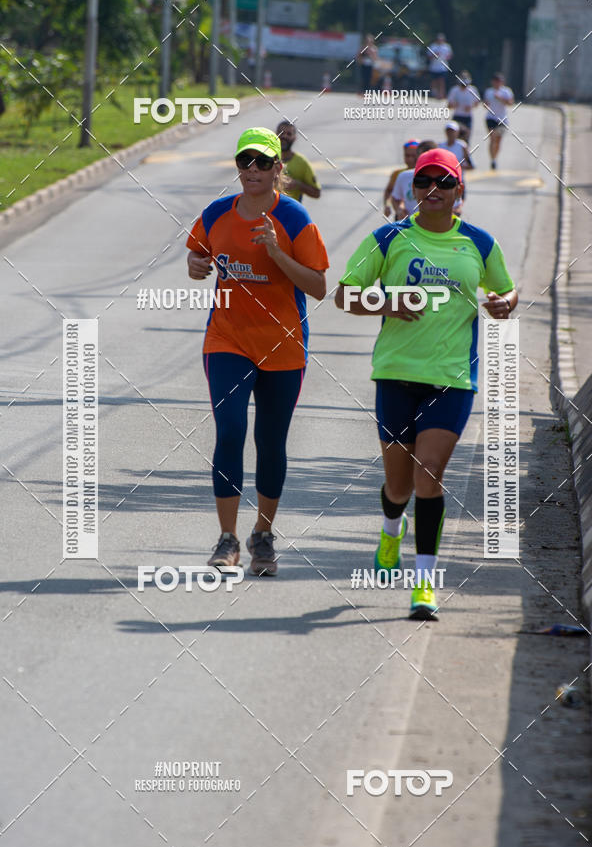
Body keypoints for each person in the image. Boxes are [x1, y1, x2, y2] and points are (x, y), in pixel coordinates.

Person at [335, 148, 517, 620]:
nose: (432, 190)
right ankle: (390, 529)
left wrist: (505, 303)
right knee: (398, 486)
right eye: (423, 182)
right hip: (396, 374)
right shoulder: (388, 237)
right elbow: (344, 293)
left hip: (452, 378)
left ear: (460, 192)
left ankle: (424, 585)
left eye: (443, 182)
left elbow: (505, 288)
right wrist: (385, 303)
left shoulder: (478, 243)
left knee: (429, 475)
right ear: (412, 189)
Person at [186, 127, 329, 575]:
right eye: (244, 161)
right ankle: (227, 539)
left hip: (283, 347)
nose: (252, 170)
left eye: (262, 162)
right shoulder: (216, 213)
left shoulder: (294, 220)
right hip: (227, 340)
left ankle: (262, 535)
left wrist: (276, 252)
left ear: (277, 169)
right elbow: (196, 260)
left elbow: (319, 287)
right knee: (229, 431)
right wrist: (196, 265)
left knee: (270, 442)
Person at [276, 120, 321, 204]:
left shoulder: (301, 162)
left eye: (289, 134)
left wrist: (297, 185)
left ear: (294, 138)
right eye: (281, 133)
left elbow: (317, 193)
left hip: (291, 213)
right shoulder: (266, 159)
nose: (284, 136)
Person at [391, 140, 436, 219]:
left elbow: (456, 205)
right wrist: (399, 209)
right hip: (410, 227)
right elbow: (395, 197)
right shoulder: (404, 176)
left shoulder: (446, 181)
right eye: (424, 157)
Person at [439, 120, 473, 216]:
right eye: (448, 131)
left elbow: (471, 165)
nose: (450, 133)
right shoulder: (441, 146)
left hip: (458, 180)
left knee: (456, 210)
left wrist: (459, 166)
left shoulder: (462, 146)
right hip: (444, 181)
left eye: (452, 131)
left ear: (457, 132)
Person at [483, 73, 514, 170]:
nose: (497, 83)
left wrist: (500, 98)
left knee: (498, 141)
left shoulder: (506, 91)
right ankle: (492, 160)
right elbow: (485, 104)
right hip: (490, 118)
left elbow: (510, 103)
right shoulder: (489, 91)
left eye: (499, 81)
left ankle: (495, 157)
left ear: (502, 82)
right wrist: (486, 104)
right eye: (495, 81)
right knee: (492, 138)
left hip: (502, 119)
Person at [383, 139, 419, 218]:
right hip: (402, 218)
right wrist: (387, 205)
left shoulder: (428, 174)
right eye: (407, 155)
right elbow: (389, 191)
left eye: (413, 156)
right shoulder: (398, 174)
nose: (410, 159)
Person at [447, 71, 480, 140]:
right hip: (457, 116)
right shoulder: (454, 90)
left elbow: (477, 103)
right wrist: (454, 105)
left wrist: (470, 107)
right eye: (462, 85)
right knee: (455, 138)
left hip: (467, 117)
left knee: (466, 138)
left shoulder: (473, 90)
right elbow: (449, 106)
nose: (464, 87)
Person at [427, 33, 452, 100]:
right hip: (434, 67)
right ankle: (434, 94)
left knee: (442, 81)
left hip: (443, 67)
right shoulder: (433, 46)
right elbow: (429, 56)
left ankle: (441, 95)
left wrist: (447, 57)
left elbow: (449, 56)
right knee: (434, 81)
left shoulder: (446, 47)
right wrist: (434, 55)